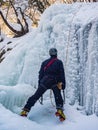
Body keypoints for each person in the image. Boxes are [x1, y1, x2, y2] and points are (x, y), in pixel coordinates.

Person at [20, 48, 66, 121]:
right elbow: (61, 74)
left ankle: (25, 110)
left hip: (45, 81)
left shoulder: (44, 62)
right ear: (56, 53)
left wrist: (40, 84)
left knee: (36, 96)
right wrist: (63, 84)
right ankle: (59, 110)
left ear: (50, 54)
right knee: (58, 95)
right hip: (54, 81)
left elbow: (40, 74)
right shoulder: (59, 62)